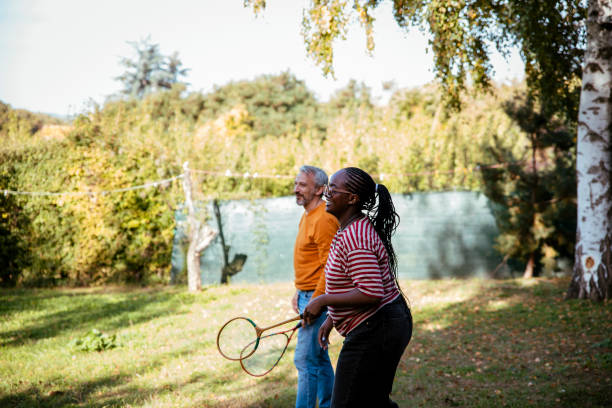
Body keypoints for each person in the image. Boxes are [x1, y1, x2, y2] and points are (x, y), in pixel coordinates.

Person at [303, 167, 413, 408]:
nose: (327, 194)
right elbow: (351, 282)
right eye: (327, 188)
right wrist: (331, 319)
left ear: (352, 199)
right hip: (379, 324)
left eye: (333, 189)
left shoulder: (356, 237)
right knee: (372, 401)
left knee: (347, 403)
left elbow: (371, 292)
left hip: (377, 328)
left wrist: (322, 301)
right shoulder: (347, 230)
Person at [292, 165, 338, 408]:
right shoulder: (308, 214)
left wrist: (315, 301)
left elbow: (330, 267)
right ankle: (330, 404)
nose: (296, 189)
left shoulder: (323, 219)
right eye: (296, 183)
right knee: (318, 359)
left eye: (302, 185)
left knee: (305, 361)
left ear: (320, 189)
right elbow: (310, 261)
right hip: (307, 294)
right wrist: (298, 291)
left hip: (317, 298)